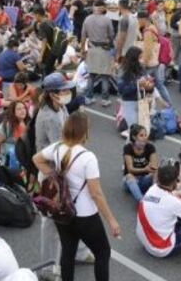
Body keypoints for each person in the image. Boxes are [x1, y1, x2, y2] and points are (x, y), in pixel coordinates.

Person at [33, 111, 121, 281]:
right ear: (84, 132)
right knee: (103, 252)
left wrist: (54, 176)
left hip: (63, 211)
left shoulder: (57, 147)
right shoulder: (88, 157)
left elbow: (36, 159)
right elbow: (96, 193)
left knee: (68, 251)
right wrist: (111, 220)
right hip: (85, 215)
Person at [122, 124, 157, 201]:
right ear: (134, 137)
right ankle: (142, 201)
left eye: (145, 135)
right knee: (129, 176)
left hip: (144, 179)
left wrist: (152, 170)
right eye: (141, 135)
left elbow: (154, 167)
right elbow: (130, 169)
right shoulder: (128, 148)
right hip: (131, 181)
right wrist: (144, 169)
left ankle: (155, 196)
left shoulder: (150, 147)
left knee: (155, 173)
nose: (145, 138)